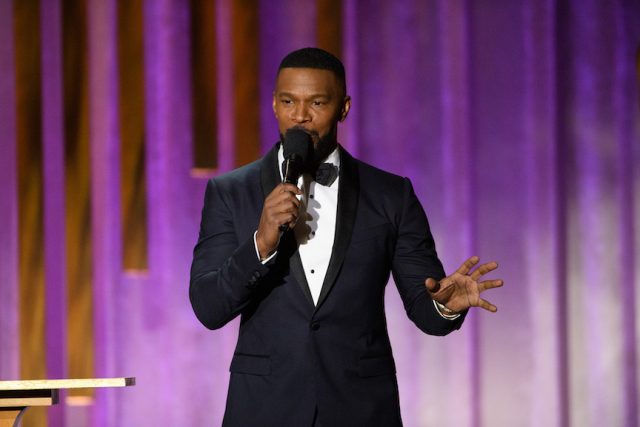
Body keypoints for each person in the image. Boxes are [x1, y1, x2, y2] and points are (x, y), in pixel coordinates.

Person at [189, 47, 503, 427]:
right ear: (273, 104)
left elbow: (426, 308)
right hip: (263, 409)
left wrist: (446, 306)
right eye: (288, 101)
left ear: (343, 108)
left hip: (361, 409)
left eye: (317, 102)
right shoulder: (230, 192)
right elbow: (208, 307)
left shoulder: (391, 195)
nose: (300, 115)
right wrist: (261, 244)